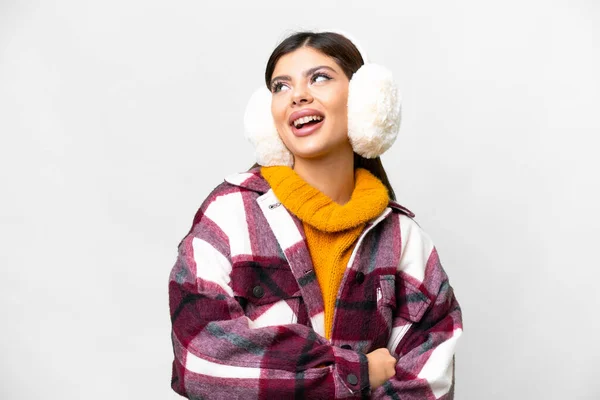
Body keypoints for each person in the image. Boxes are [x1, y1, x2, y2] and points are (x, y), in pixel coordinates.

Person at [168, 31, 463, 399]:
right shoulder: (229, 216)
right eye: (281, 86)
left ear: (365, 103)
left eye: (319, 77)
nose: (298, 95)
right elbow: (202, 361)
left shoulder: (404, 241)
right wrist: (358, 373)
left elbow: (429, 382)